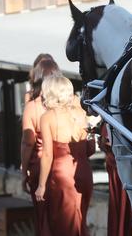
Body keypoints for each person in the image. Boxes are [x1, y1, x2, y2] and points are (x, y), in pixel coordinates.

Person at [35, 75, 95, 235]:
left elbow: (47, 154)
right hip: (84, 172)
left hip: (62, 177)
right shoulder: (82, 114)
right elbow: (91, 150)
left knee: (63, 225)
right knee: (80, 222)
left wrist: (41, 185)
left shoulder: (47, 117)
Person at [20, 58, 61, 235]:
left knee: (44, 219)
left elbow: (27, 142)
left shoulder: (33, 107)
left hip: (39, 166)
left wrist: (23, 172)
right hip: (63, 167)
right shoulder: (69, 106)